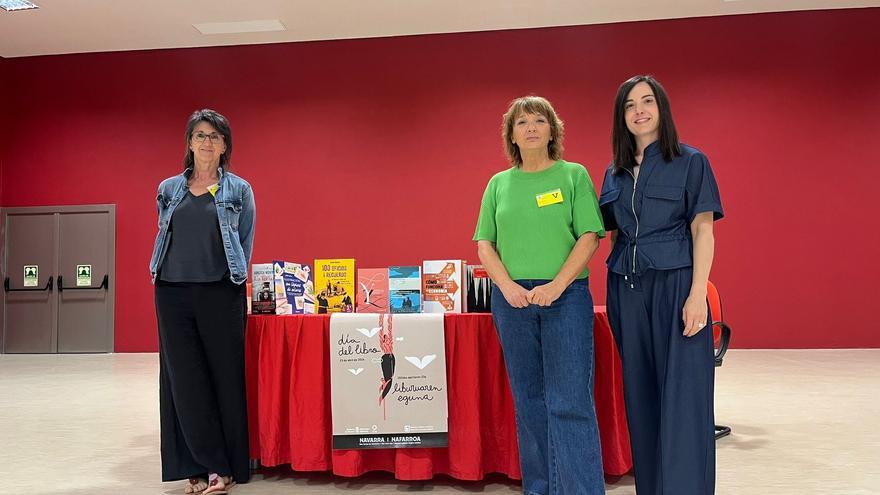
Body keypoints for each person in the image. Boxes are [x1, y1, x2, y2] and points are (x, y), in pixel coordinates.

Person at [473, 96, 606, 495]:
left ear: (552, 130)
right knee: (529, 401)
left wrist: (557, 286)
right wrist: (508, 287)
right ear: (511, 135)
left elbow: (589, 236)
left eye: (538, 120)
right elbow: (484, 244)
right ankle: (541, 488)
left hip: (565, 298)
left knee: (570, 400)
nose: (530, 127)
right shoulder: (499, 184)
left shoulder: (573, 175)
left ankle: (580, 490)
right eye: (521, 123)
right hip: (511, 303)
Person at [598, 75, 724, 495]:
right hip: (626, 290)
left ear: (661, 108)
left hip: (675, 287)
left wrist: (697, 295)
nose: (639, 110)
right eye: (630, 105)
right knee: (641, 394)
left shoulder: (691, 161)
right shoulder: (612, 173)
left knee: (684, 397)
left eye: (647, 101)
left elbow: (703, 231)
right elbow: (612, 234)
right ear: (622, 117)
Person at [149, 109, 256, 494]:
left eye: (214, 135)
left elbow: (244, 242)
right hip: (171, 292)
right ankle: (195, 463)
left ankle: (223, 466)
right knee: (183, 380)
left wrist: (234, 281)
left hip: (220, 292)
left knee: (224, 378)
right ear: (189, 143)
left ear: (225, 145)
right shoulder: (168, 188)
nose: (206, 141)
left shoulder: (239, 190)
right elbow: (166, 235)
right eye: (199, 135)